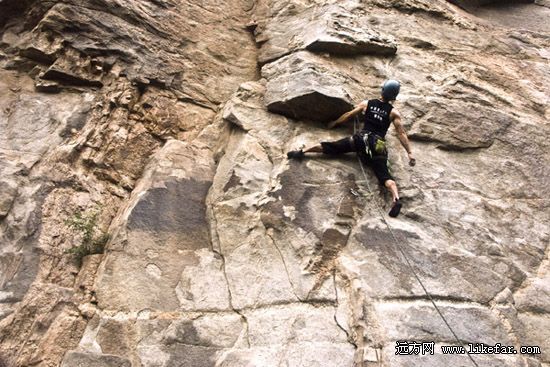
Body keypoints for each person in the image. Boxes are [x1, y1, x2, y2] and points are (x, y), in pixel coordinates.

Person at [286, 80, 415, 217]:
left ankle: (302, 152)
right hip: (378, 146)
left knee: (334, 146)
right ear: (394, 96)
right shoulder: (393, 113)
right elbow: (401, 133)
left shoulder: (367, 104)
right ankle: (396, 198)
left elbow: (348, 115)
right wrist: (410, 153)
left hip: (361, 140)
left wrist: (334, 123)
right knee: (384, 175)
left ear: (382, 90)